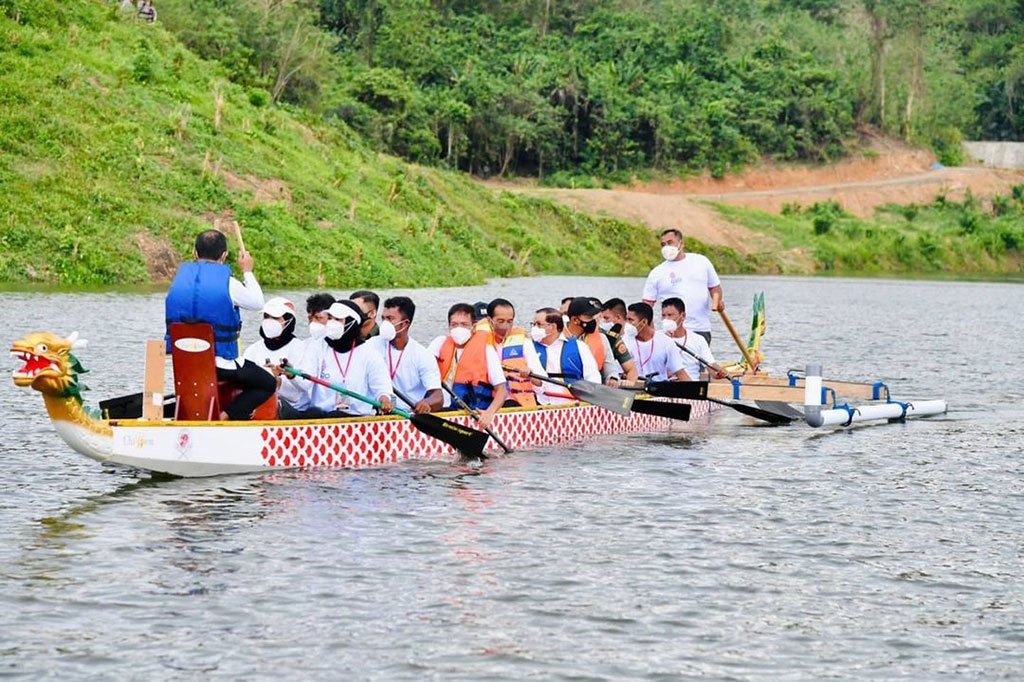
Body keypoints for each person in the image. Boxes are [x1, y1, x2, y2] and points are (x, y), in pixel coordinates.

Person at [164, 229, 274, 420]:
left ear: (195, 253)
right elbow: (257, 303)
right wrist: (247, 271)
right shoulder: (229, 284)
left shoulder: (178, 283)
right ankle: (223, 417)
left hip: (183, 362)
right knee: (266, 383)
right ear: (224, 256)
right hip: (220, 364)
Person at [280, 300, 393, 418]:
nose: (331, 323)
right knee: (310, 412)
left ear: (351, 323)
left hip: (356, 418)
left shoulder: (369, 353)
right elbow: (305, 382)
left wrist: (384, 398)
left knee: (335, 415)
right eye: (330, 318)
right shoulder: (318, 346)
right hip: (320, 416)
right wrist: (292, 375)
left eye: (338, 319)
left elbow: (382, 387)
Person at [428, 303, 507, 428]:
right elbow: (423, 365)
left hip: (472, 412)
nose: (458, 328)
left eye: (464, 324)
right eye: (454, 324)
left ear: (473, 326)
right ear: (448, 326)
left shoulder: (486, 350)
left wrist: (490, 413)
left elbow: (502, 390)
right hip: (441, 407)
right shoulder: (439, 342)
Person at [641, 228, 724, 346]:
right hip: (671, 331)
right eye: (663, 245)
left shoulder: (701, 262)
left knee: (699, 364)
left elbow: (715, 288)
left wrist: (717, 300)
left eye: (670, 242)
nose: (666, 247)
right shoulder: (657, 273)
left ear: (681, 243)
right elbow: (646, 307)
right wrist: (652, 333)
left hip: (700, 329)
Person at [369, 296, 442, 414]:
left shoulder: (422, 355)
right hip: (374, 412)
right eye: (383, 319)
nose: (384, 324)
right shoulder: (370, 346)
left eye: (390, 319)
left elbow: (438, 397)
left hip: (406, 414)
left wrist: (426, 403)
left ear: (405, 324)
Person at [242, 297, 310, 411]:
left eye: (275, 318)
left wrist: (285, 378)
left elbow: (300, 393)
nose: (269, 321)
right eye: (266, 317)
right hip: (259, 407)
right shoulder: (252, 350)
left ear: (288, 321)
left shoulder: (301, 348)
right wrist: (262, 376)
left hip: (294, 410)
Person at [530, 308, 600, 404]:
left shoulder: (579, 346)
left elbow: (592, 376)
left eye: (538, 324)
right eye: (533, 324)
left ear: (553, 326)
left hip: (572, 402)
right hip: (539, 402)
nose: (534, 328)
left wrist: (588, 399)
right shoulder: (529, 347)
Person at [483, 298, 545, 407]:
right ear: (489, 320)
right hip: (487, 401)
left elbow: (541, 383)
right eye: (501, 321)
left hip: (517, 404)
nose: (506, 326)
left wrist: (529, 374)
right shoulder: (480, 344)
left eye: (509, 321)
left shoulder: (524, 343)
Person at [563, 297, 635, 385]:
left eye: (595, 316)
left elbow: (610, 368)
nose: (594, 320)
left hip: (592, 389)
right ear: (575, 320)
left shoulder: (602, 338)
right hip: (562, 388)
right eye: (589, 317)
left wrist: (613, 378)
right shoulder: (557, 337)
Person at [660, 297, 728, 380]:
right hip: (663, 386)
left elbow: (711, 367)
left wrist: (719, 372)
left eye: (670, 315)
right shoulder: (657, 338)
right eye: (663, 316)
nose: (666, 319)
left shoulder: (698, 340)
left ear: (683, 316)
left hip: (691, 387)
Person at [624, 302, 688, 382]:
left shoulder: (666, 342)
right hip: (632, 389)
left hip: (659, 389)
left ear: (644, 322)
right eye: (626, 319)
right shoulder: (624, 341)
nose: (627, 324)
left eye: (630, 320)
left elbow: (680, 373)